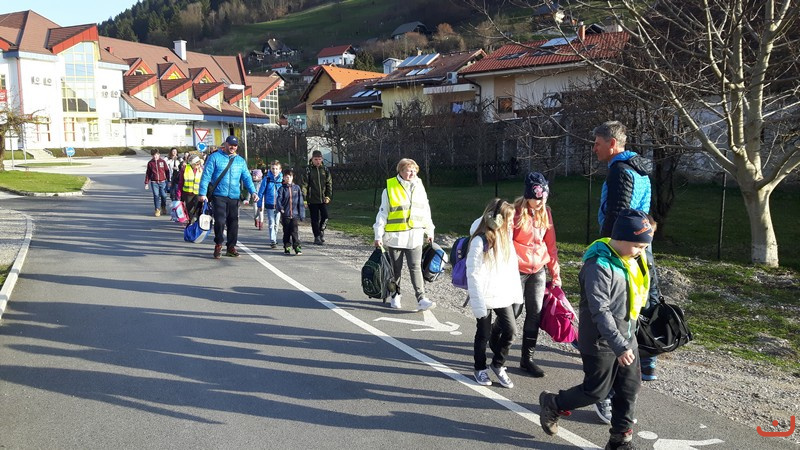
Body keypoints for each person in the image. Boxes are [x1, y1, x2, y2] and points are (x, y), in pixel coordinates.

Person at [539, 209, 654, 450]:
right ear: (620, 238)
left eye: (644, 247)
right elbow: (600, 310)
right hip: (601, 341)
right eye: (638, 246)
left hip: (627, 336)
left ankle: (620, 441)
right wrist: (619, 345)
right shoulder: (598, 266)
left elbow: (643, 286)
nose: (641, 252)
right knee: (596, 392)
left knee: (629, 389)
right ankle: (554, 403)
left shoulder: (633, 257)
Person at [592, 120, 662, 423]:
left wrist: (604, 247)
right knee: (643, 298)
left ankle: (606, 384)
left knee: (616, 306)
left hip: (623, 246)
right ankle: (648, 360)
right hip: (642, 243)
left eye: (597, 143)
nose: (594, 149)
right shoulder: (641, 168)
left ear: (612, 143)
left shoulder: (620, 170)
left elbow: (618, 213)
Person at [507, 172, 561, 378]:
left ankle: (527, 359)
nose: (541, 202)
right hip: (517, 269)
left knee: (535, 312)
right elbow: (505, 242)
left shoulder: (546, 213)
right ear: (528, 195)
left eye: (544, 198)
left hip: (538, 269)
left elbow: (551, 245)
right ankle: (497, 337)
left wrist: (555, 273)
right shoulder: (514, 213)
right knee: (514, 311)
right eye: (537, 198)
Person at [467, 198, 523, 389]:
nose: (512, 223)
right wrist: (478, 304)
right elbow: (473, 274)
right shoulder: (479, 240)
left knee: (511, 330)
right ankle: (479, 368)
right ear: (496, 219)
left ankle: (498, 364)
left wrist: (515, 294)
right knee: (483, 333)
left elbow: (510, 269)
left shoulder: (505, 236)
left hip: (500, 293)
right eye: (509, 219)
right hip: (483, 295)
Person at [373, 158, 435, 311]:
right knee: (396, 269)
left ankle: (421, 298)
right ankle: (395, 295)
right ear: (400, 171)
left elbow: (425, 210)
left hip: (415, 235)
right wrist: (378, 235)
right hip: (396, 237)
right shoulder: (390, 188)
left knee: (416, 267)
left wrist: (429, 230)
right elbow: (382, 214)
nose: (412, 173)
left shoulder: (419, 186)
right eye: (408, 170)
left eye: (414, 170)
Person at [197, 135, 258, 259]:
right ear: (225, 144)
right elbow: (206, 176)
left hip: (234, 196)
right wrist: (202, 193)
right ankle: (218, 244)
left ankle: (231, 247)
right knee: (220, 221)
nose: (232, 147)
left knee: (233, 222)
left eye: (235, 145)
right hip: (219, 195)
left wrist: (253, 192)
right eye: (230, 145)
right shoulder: (215, 157)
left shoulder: (240, 161)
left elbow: (246, 177)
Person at [302, 150, 332, 245]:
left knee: (325, 216)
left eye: (319, 159)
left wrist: (328, 196)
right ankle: (317, 236)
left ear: (322, 159)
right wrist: (304, 199)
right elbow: (304, 185)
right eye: (316, 159)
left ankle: (321, 230)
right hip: (312, 199)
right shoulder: (308, 170)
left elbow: (329, 183)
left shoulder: (325, 170)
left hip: (323, 198)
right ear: (312, 159)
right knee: (314, 219)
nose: (318, 161)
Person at [276, 168, 304, 255]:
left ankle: (297, 247)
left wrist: (302, 214)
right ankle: (287, 246)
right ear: (283, 178)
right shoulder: (282, 189)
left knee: (294, 231)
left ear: (292, 177)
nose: (288, 179)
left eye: (289, 177)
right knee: (287, 231)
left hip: (294, 214)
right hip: (286, 214)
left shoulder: (297, 188)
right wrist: (280, 208)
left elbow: (300, 202)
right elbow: (279, 200)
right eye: (286, 177)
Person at [257, 160, 284, 248]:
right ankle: (273, 240)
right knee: (271, 222)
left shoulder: (282, 180)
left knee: (276, 223)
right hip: (270, 204)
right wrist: (259, 204)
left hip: (279, 205)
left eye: (276, 169)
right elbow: (261, 192)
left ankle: (274, 237)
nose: (274, 170)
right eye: (273, 168)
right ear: (270, 169)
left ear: (280, 169)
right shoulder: (267, 179)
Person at [178, 155, 204, 226]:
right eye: (196, 164)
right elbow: (181, 182)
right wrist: (179, 193)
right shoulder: (185, 169)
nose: (198, 165)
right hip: (188, 193)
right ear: (192, 164)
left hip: (198, 192)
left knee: (198, 209)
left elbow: (204, 181)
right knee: (189, 210)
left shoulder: (201, 169)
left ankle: (197, 222)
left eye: (199, 163)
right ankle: (191, 222)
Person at [144, 149, 170, 217]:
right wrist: (146, 183)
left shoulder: (162, 162)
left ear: (159, 155)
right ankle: (157, 209)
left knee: (164, 195)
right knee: (156, 195)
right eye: (153, 155)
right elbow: (148, 173)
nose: (155, 156)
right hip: (154, 182)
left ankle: (163, 206)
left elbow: (167, 171)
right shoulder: (150, 163)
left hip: (163, 181)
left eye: (156, 155)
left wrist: (168, 180)